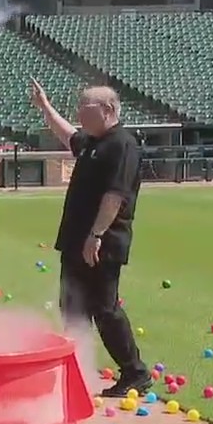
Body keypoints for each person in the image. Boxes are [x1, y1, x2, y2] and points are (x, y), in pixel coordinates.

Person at [31, 79, 151, 397]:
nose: (79, 113)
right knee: (72, 307)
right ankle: (77, 369)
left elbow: (115, 196)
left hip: (102, 243)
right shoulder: (93, 142)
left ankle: (135, 373)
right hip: (75, 240)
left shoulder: (121, 145)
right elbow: (68, 135)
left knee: (104, 308)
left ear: (107, 109)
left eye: (84, 107)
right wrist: (45, 107)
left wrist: (96, 235)